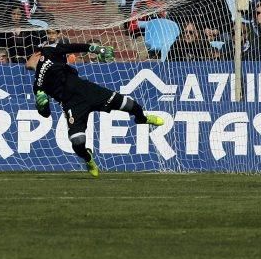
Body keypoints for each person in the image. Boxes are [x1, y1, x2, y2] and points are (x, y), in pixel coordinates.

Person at [26, 42, 164, 177]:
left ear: (37, 53)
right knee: (77, 141)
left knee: (130, 105)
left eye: (29, 54)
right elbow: (45, 114)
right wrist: (41, 106)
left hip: (88, 91)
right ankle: (88, 158)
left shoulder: (47, 51)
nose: (26, 59)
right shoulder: (37, 85)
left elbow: (72, 47)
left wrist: (95, 48)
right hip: (72, 105)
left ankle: (142, 119)